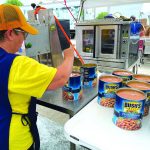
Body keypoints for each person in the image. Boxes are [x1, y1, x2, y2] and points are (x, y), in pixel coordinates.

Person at [0, 4, 74, 150]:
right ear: (10, 33)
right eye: (23, 33)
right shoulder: (16, 64)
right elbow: (61, 77)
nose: (23, 39)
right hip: (13, 141)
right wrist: (69, 53)